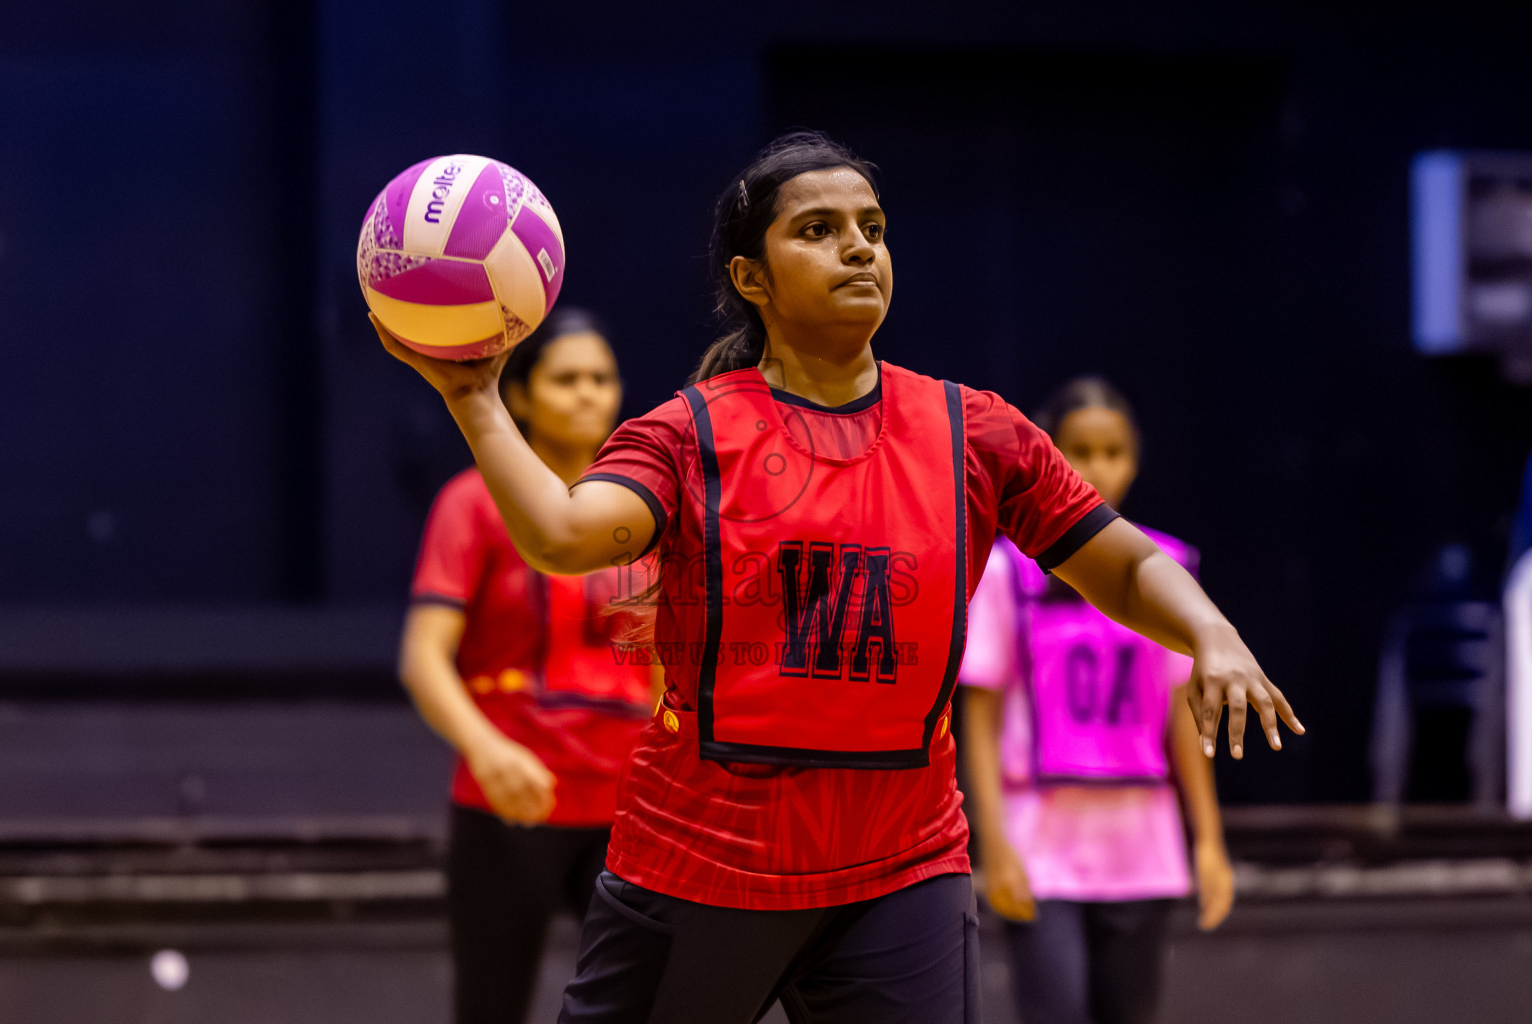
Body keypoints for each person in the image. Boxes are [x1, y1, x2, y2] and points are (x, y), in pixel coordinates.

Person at [374, 131, 1303, 1024]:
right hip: (706, 864)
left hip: (902, 872)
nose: (858, 247)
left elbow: (1130, 563)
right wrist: (473, 396)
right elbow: (565, 537)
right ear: (752, 279)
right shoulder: (687, 432)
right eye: (817, 230)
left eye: (872, 227)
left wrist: (1211, 632)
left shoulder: (973, 433)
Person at [397, 308, 655, 1024]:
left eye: (601, 379)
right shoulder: (472, 504)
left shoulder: (644, 514)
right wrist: (487, 749)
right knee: (491, 1006)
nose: (587, 393)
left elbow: (667, 668)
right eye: (566, 378)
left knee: (653, 1003)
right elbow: (424, 658)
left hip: (630, 807)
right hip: (511, 800)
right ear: (520, 395)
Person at [960, 377, 1234, 1024]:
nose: (1098, 468)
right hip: (1042, 844)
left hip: (1143, 845)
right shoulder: (1003, 572)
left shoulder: (1168, 568)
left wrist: (1209, 839)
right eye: (1080, 450)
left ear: (1134, 459)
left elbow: (1181, 713)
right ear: (1052, 457)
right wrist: (992, 844)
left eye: (1113, 451)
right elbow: (980, 716)